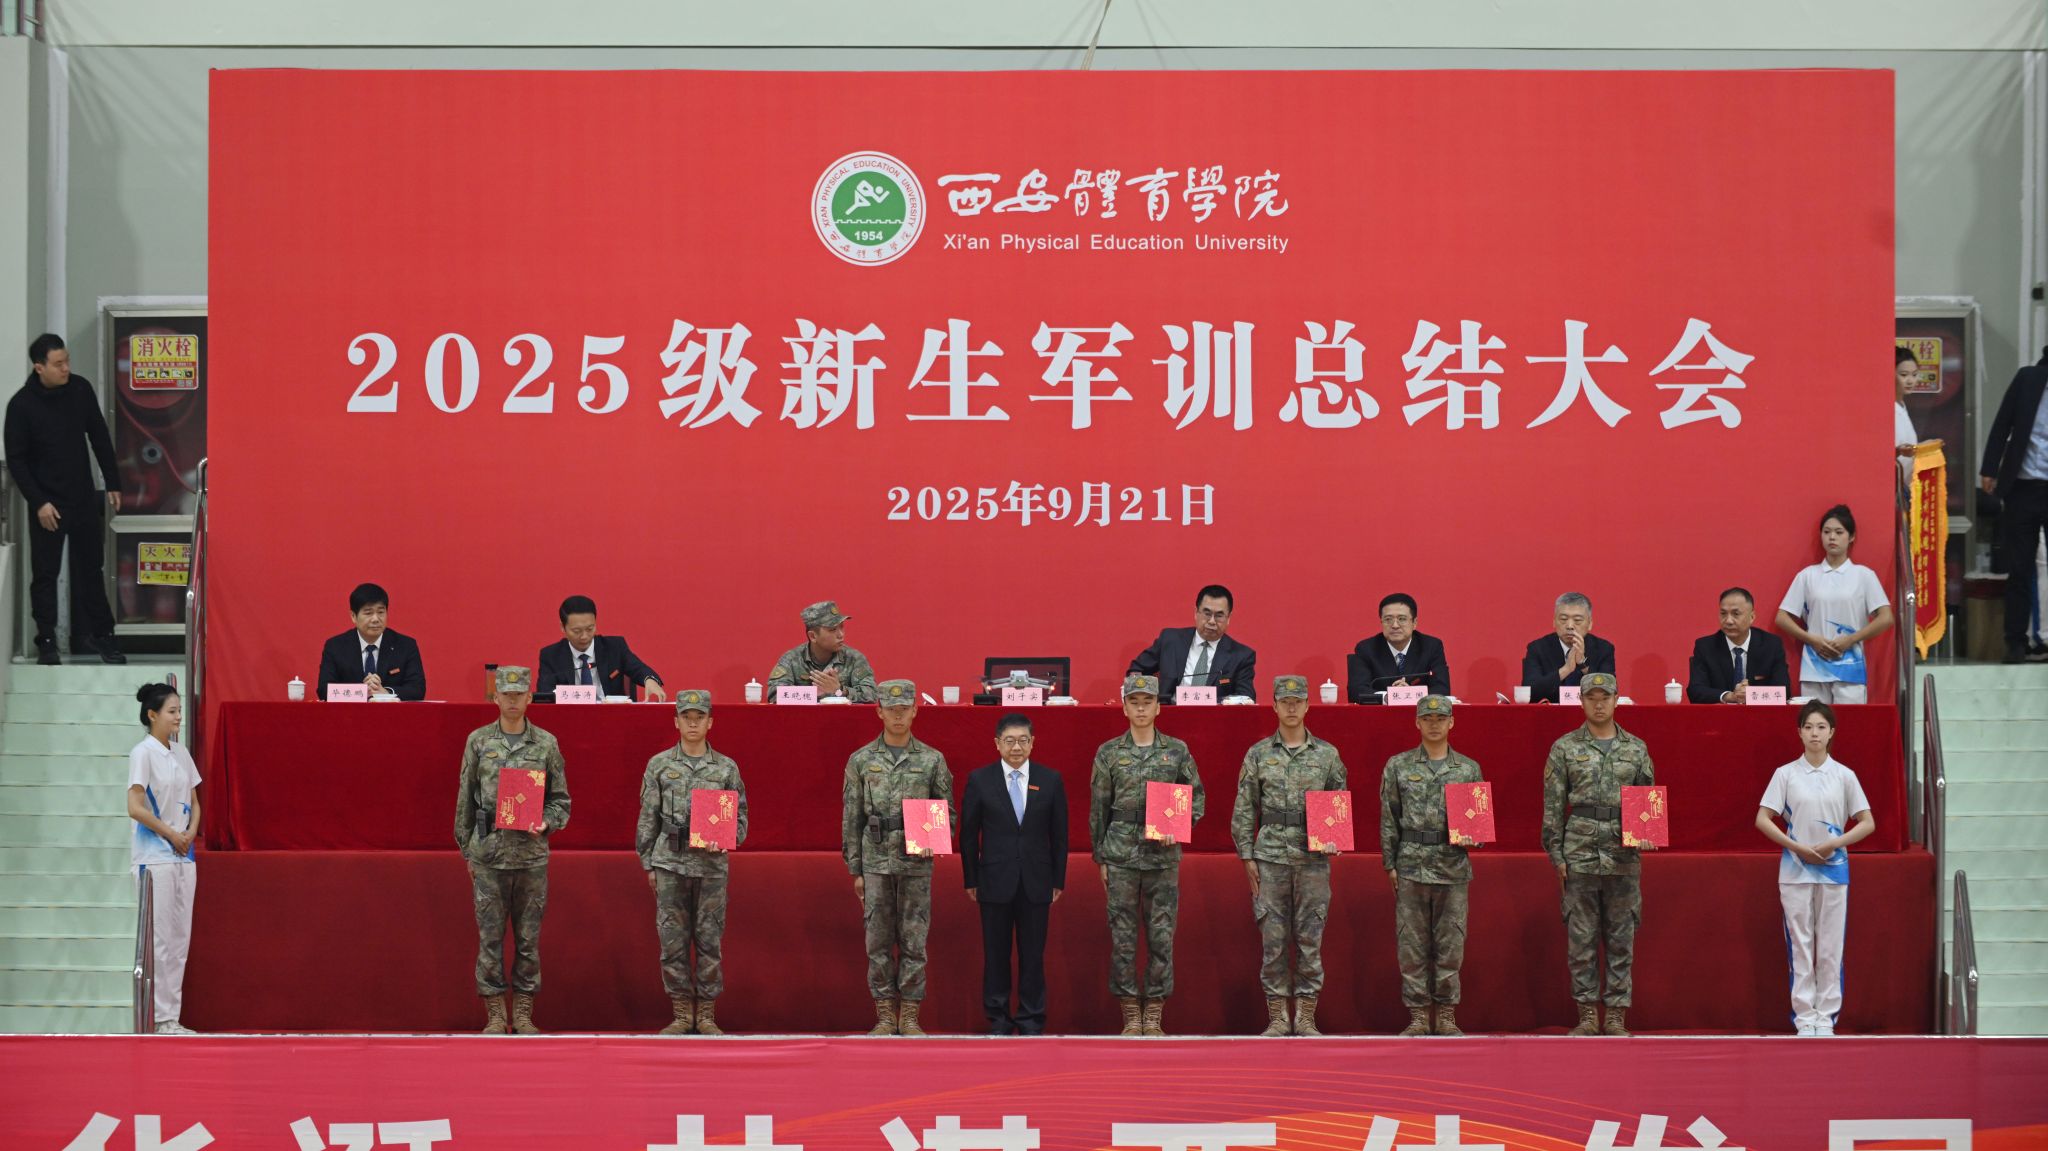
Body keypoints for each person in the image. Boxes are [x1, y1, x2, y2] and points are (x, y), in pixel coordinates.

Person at [453, 665, 570, 1034]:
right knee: (490, 938)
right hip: (489, 853)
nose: (513, 700)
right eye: (507, 694)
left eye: (520, 694)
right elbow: (465, 799)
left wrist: (547, 822)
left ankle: (522, 1012)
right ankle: (494, 1013)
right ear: (496, 697)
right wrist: (467, 850)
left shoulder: (546, 744)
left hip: (530, 855)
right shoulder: (479, 741)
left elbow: (561, 801)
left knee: (528, 939)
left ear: (530, 697)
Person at [1090, 673, 1205, 1036]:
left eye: (1147, 702)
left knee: (1161, 935)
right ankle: (1129, 1011)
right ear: (1125, 708)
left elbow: (1196, 797)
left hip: (1162, 856)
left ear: (1158, 707)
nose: (1140, 708)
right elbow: (1099, 808)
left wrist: (1179, 827)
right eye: (1134, 702)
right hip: (1121, 853)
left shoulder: (1177, 751)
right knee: (1122, 937)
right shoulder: (1109, 752)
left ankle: (1154, 1010)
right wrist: (1101, 857)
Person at [1540, 672, 1655, 1036]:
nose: (1599, 703)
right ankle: (1587, 1013)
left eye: (1605, 697)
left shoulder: (1636, 748)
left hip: (1623, 853)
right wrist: (1556, 855)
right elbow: (1553, 807)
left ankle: (1616, 1014)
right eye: (1592, 697)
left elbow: (1647, 800)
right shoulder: (1564, 748)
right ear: (1582, 701)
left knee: (1622, 938)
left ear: (1617, 700)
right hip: (1580, 850)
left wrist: (1648, 834)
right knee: (1582, 939)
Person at [1231, 675, 1346, 1037]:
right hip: (1271, 856)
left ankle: (1306, 1016)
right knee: (1274, 940)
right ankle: (1278, 1016)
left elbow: (1338, 803)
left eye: (1298, 701)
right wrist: (1247, 856)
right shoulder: (1259, 754)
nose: (1292, 707)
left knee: (1311, 938)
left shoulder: (1327, 754)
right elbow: (1245, 808)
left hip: (1313, 858)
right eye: (1285, 701)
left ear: (1308, 705)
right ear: (1275, 706)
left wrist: (1334, 837)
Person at [1754, 701, 1875, 1037]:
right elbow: (1763, 818)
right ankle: (1805, 1017)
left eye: (1821, 727)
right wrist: (1796, 847)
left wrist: (1835, 844)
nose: (1815, 733)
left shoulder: (1844, 776)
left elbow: (1867, 822)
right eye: (1808, 727)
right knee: (1801, 944)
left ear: (1831, 732)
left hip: (1834, 871)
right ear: (1799, 732)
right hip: (1794, 871)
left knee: (1831, 946)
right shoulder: (1786, 774)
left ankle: (1827, 1017)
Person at [841, 679, 953, 1036]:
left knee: (914, 939)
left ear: (915, 710)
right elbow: (851, 817)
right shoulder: (861, 760)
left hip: (916, 861)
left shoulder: (932, 759)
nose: (898, 715)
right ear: (879, 712)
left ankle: (910, 1014)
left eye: (904, 708)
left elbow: (947, 811)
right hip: (875, 860)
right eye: (892, 709)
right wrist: (856, 869)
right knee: (877, 940)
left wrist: (936, 836)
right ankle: (886, 1013)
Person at [6, 333, 123, 665]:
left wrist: (113, 481)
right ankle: (46, 641)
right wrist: (38, 502)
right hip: (47, 504)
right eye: (58, 364)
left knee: (91, 570)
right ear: (39, 367)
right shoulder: (21, 405)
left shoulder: (80, 390)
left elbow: (99, 436)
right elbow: (17, 460)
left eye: (67, 361)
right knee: (45, 574)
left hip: (82, 497)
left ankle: (104, 636)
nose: (66, 368)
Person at [636, 689, 746, 1036]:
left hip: (711, 865)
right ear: (676, 721)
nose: (693, 723)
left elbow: (740, 817)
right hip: (670, 862)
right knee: (672, 940)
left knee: (710, 939)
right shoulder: (659, 765)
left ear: (710, 722)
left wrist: (727, 838)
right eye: (687, 717)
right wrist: (648, 863)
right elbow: (648, 817)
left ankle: (707, 1014)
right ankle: (682, 1012)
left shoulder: (725, 767)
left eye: (700, 718)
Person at [1378, 694, 1484, 1038]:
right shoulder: (1399, 766)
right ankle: (1419, 1015)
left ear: (1452, 722)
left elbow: (1477, 821)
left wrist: (1476, 836)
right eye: (1428, 719)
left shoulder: (1467, 769)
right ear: (1417, 723)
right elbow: (1389, 817)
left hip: (1452, 865)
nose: (1434, 724)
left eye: (1441, 719)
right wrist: (1389, 863)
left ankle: (1447, 1015)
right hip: (1411, 863)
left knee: (1451, 943)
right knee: (1412, 944)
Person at [959, 713, 1069, 1035]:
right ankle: (998, 1020)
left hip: (1037, 881)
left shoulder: (1050, 780)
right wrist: (971, 879)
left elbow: (1060, 836)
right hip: (994, 881)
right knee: (996, 955)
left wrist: (1058, 879)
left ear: (1033, 742)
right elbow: (968, 835)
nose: (1016, 747)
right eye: (1009, 741)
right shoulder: (980, 780)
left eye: (1023, 740)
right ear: (997, 744)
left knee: (1033, 956)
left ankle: (1031, 1019)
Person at [127, 682, 199, 1034]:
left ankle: (171, 1018)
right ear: (152, 715)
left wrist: (189, 833)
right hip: (154, 857)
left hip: (184, 856)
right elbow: (134, 807)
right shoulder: (142, 753)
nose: (178, 717)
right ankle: (155, 1018)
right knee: (161, 941)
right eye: (172, 712)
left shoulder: (181, 753)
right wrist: (171, 834)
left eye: (179, 711)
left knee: (180, 940)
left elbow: (195, 802)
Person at [1774, 505, 1894, 703]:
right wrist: (1812, 640)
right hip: (1814, 666)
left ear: (1851, 537)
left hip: (1851, 667)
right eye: (1827, 532)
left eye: (1839, 532)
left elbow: (1886, 618)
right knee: (1813, 721)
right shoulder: (1807, 575)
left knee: (1850, 721)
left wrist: (1851, 639)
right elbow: (1782, 617)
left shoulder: (1864, 575)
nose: (1832, 537)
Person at [1979, 346, 2048, 663]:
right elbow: (2002, 423)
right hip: (2023, 487)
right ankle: (2015, 641)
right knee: (2020, 567)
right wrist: (1989, 468)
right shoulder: (2028, 379)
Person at [1127, 584, 1258, 700]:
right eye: (1207, 613)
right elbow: (1136, 671)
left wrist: (1211, 701)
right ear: (1196, 613)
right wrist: (1149, 697)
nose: (1212, 621)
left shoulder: (1241, 656)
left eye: (1219, 615)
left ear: (1228, 618)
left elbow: (1246, 698)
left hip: (1214, 717)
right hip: (1169, 714)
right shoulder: (1170, 640)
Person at [535, 594, 667, 701]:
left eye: (590, 629)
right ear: (563, 627)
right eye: (576, 631)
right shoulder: (551, 655)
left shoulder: (615, 647)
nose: (584, 636)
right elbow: (545, 695)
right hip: (571, 718)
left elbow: (638, 669)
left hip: (612, 717)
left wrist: (650, 680)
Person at [316, 582, 427, 700]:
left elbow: (417, 689)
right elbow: (324, 690)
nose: (375, 619)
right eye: (368, 613)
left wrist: (386, 692)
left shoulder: (405, 645)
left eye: (381, 612)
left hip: (391, 711)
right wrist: (361, 691)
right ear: (353, 616)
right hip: (350, 711)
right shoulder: (335, 647)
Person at [1686, 587, 1791, 703]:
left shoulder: (1771, 645)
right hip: (1720, 713)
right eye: (1723, 614)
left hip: (1759, 713)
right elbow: (1695, 690)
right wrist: (1729, 696)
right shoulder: (1705, 647)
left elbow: (1784, 691)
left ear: (1752, 617)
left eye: (1736, 614)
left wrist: (1751, 694)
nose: (1728, 621)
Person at [1346, 593, 1452, 702]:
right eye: (1388, 619)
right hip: (1381, 711)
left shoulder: (1431, 646)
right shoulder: (1366, 649)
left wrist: (1410, 694)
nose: (1395, 625)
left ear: (1414, 623)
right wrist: (1389, 697)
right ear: (1381, 622)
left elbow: (1442, 689)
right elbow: (1356, 691)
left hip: (1420, 712)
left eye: (1402, 619)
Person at [768, 600, 878, 702]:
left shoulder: (854, 658)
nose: (841, 635)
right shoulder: (791, 659)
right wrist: (813, 693)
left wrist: (839, 690)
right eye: (832, 629)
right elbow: (774, 694)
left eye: (841, 627)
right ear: (813, 636)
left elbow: (872, 695)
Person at [1520, 592, 1615, 703]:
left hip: (1590, 712)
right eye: (1563, 619)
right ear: (1554, 621)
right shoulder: (1537, 648)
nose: (1570, 626)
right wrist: (1566, 669)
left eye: (1577, 620)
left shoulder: (1603, 649)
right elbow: (1529, 692)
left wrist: (1583, 665)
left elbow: (1610, 690)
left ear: (1590, 623)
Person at [1894, 345, 1921, 459]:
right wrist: (1899, 451)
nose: (1910, 381)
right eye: (1904, 375)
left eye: (1914, 375)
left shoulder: (1901, 406)